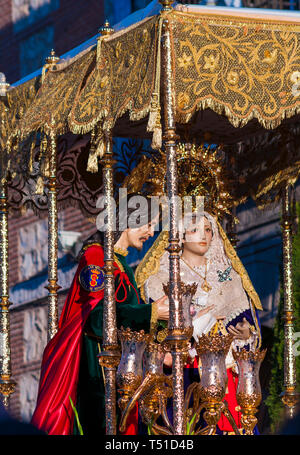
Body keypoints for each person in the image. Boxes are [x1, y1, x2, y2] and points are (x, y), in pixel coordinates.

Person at [31, 193, 168, 435]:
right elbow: (96, 317)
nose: (151, 232)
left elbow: (127, 314)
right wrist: (152, 312)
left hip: (122, 368)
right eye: (148, 224)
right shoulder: (96, 257)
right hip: (99, 368)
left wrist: (160, 327)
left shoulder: (120, 262)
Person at [135, 210, 262, 434]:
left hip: (225, 367)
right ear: (180, 236)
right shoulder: (162, 278)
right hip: (183, 371)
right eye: (194, 230)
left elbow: (248, 321)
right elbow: (154, 331)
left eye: (208, 229)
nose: (203, 235)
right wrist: (196, 323)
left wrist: (245, 333)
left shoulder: (228, 274)